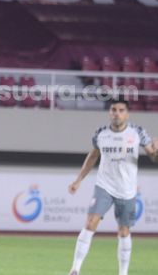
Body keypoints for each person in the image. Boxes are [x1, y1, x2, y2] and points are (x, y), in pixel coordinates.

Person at [67, 98, 158, 275]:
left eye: (121, 110)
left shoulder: (137, 132)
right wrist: (79, 180)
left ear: (127, 113)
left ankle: (123, 273)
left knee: (124, 231)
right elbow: (93, 157)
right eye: (113, 110)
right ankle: (75, 269)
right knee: (90, 222)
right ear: (109, 113)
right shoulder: (101, 133)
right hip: (104, 187)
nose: (116, 113)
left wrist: (157, 150)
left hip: (127, 190)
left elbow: (154, 158)